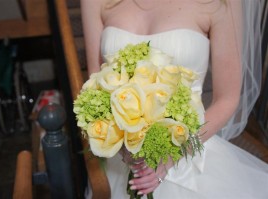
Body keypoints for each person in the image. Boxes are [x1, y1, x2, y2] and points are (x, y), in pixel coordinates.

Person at [80, 0, 268, 198]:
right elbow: (95, 82)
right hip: (121, 155)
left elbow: (227, 99)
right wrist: (120, 143)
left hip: (186, 151)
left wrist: (172, 155)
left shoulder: (222, 3)